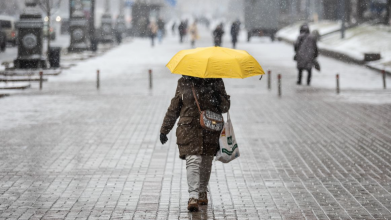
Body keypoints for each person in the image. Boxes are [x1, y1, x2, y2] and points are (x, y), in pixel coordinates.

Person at [160, 76, 230, 212]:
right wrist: (164, 130)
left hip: (210, 129)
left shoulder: (216, 81)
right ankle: (193, 196)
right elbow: (174, 107)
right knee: (193, 160)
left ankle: (202, 191)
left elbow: (225, 107)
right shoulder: (184, 81)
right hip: (189, 128)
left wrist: (219, 97)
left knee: (206, 161)